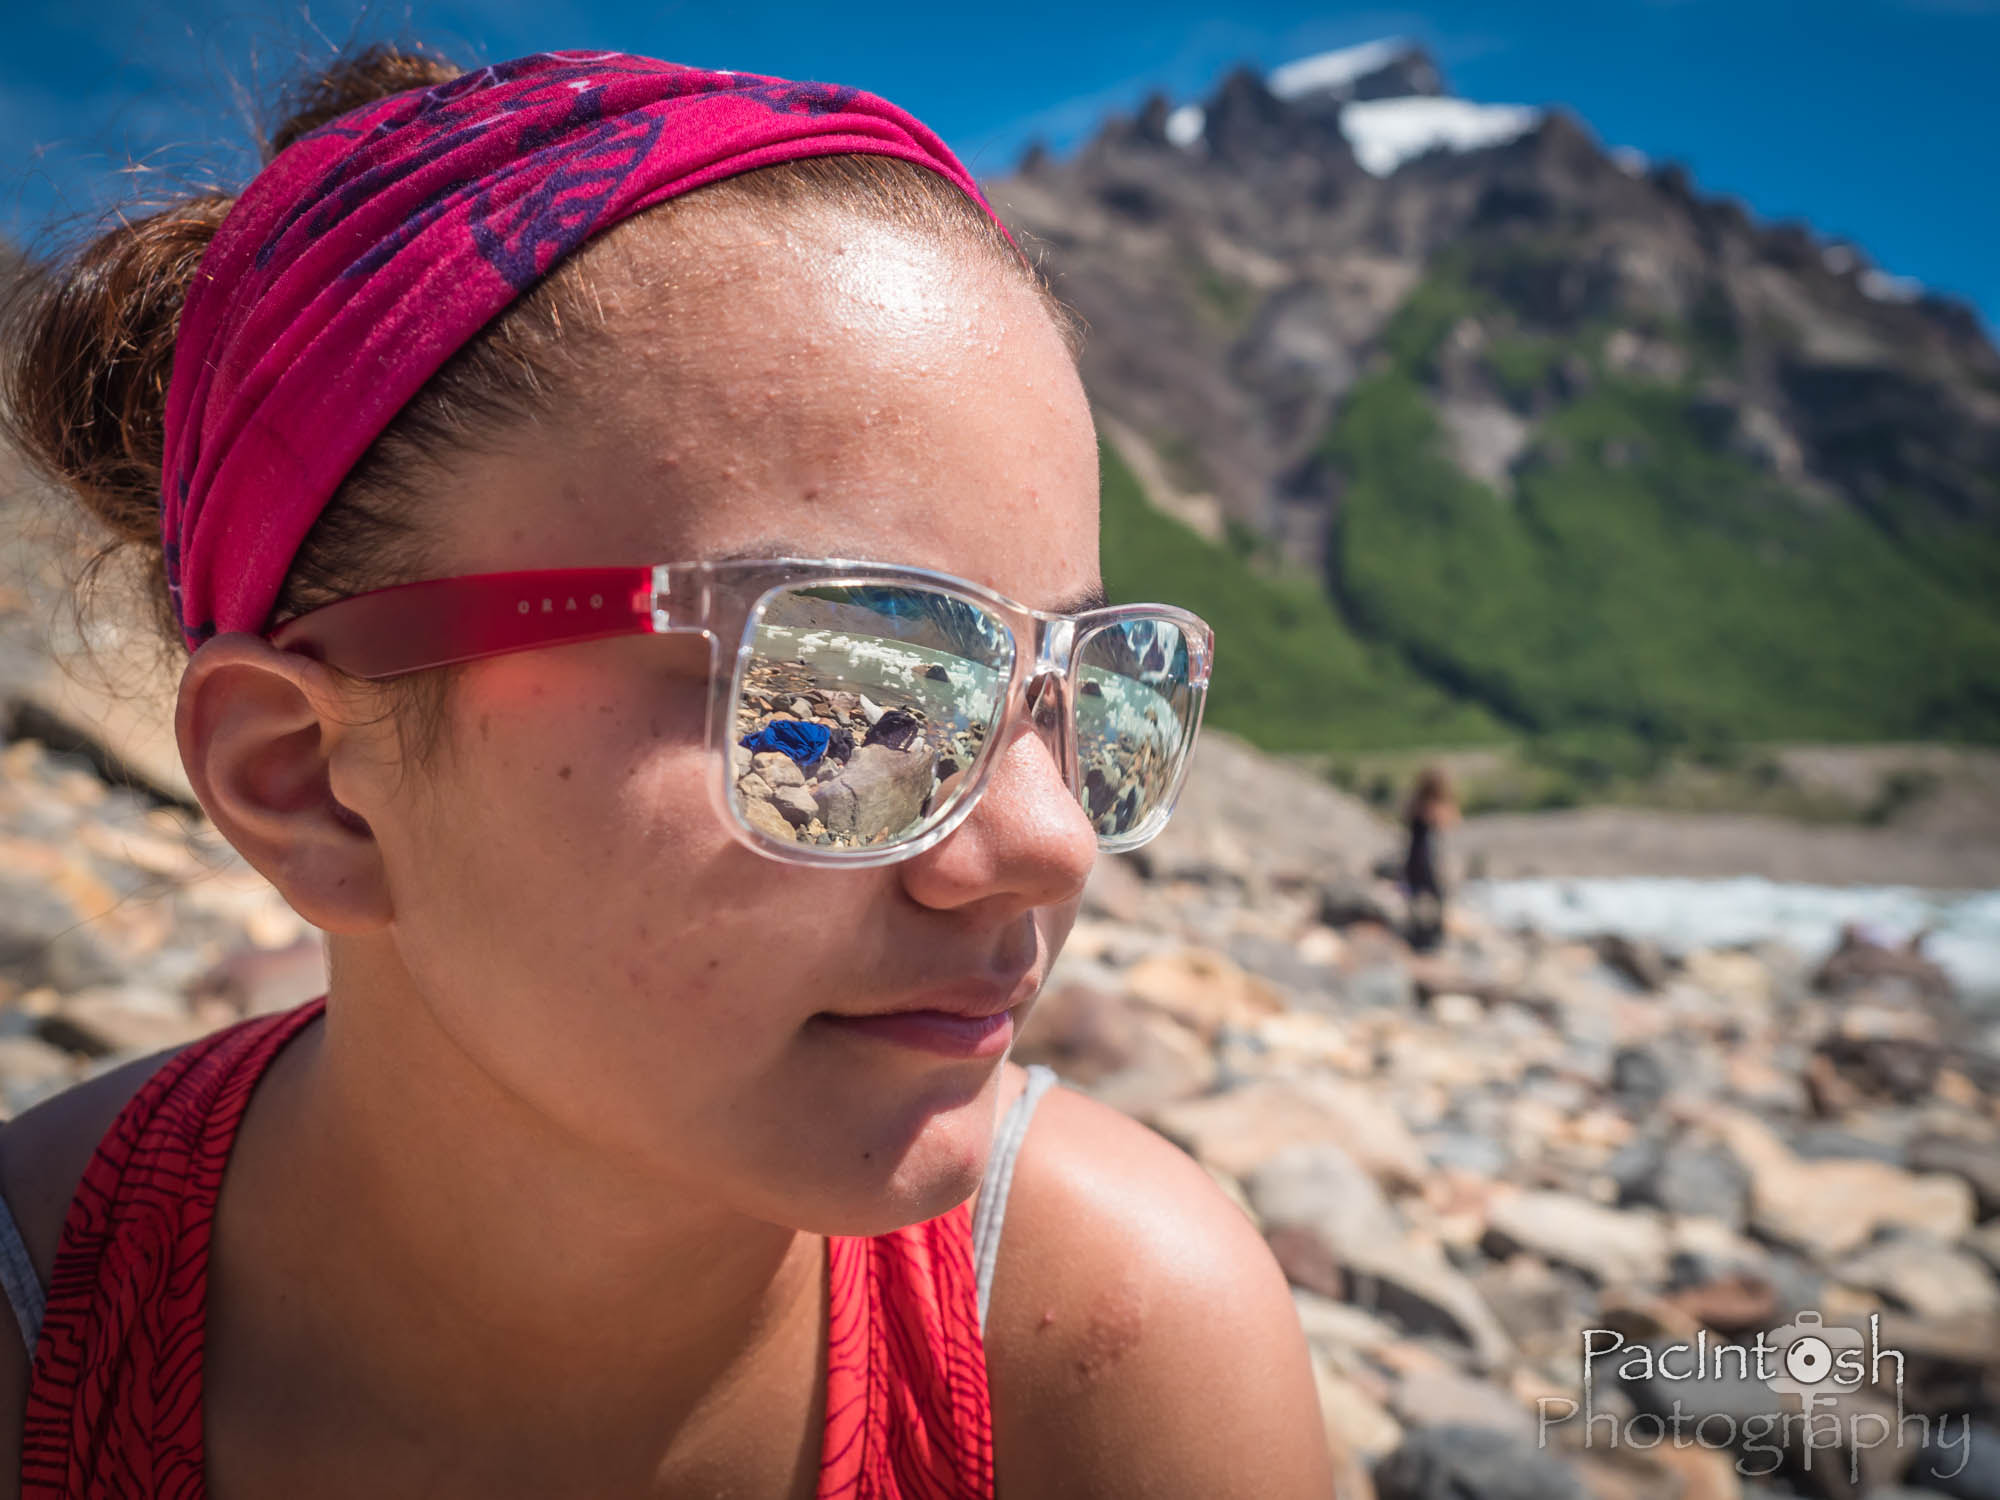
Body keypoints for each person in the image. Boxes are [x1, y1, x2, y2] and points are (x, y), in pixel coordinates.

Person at [0, 45, 1334, 1499]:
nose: (1050, 842)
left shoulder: (1111, 1356)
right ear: (305, 776)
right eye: (835, 684)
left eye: (1092, 687)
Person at [1401, 766, 1460, 952]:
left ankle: (1421, 935)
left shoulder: (1416, 803)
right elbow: (1447, 821)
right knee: (1435, 897)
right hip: (1426, 857)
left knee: (1419, 897)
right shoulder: (1427, 805)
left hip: (1416, 856)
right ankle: (1430, 937)